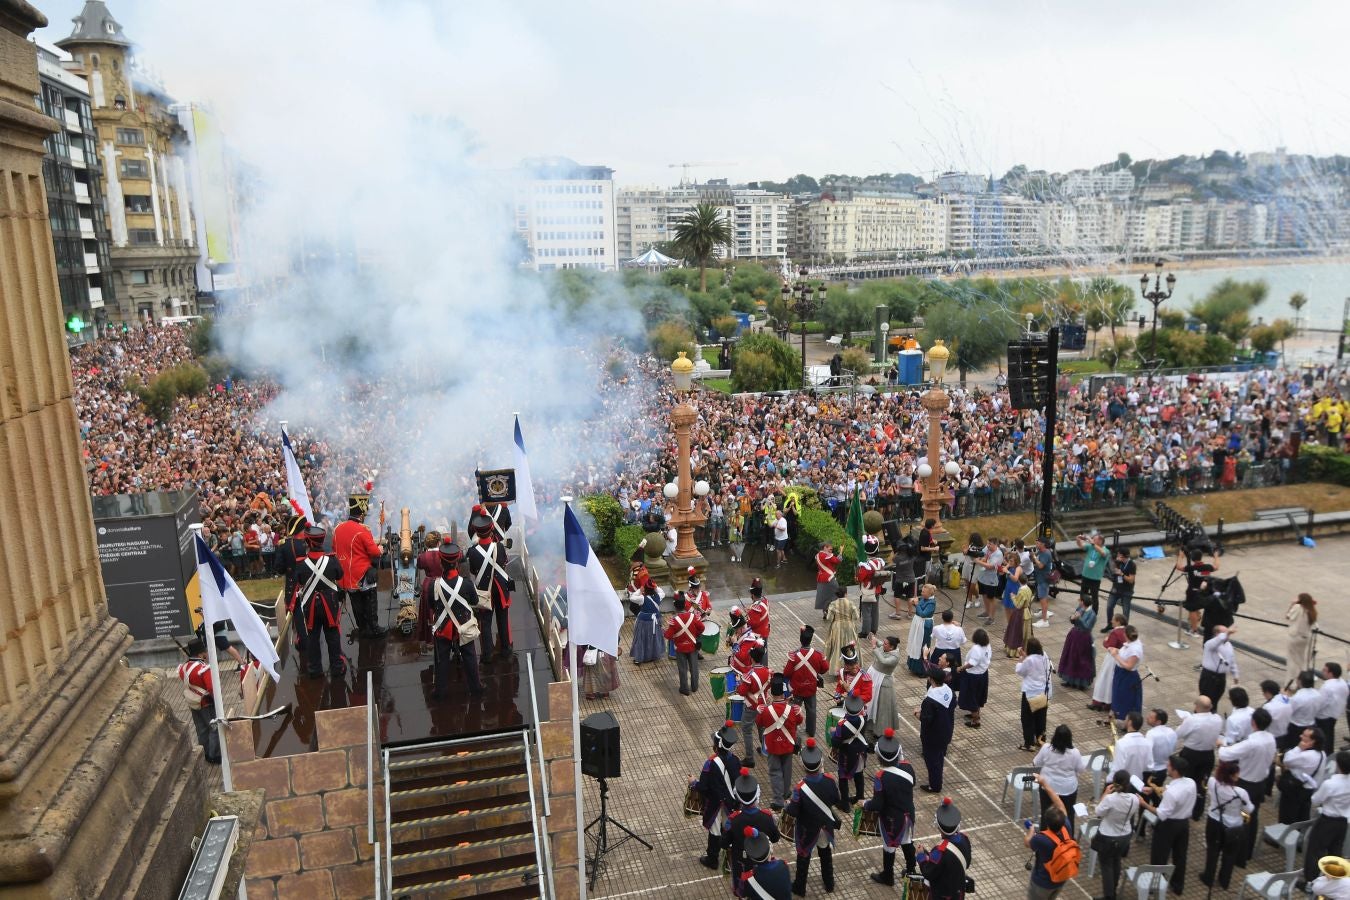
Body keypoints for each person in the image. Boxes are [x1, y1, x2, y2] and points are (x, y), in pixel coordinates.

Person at [1218, 706, 1276, 863]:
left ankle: (1237, 854)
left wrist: (1222, 743)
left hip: (1246, 783)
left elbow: (1225, 754)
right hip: (1260, 783)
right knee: (1253, 818)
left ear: (1253, 722)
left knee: (1238, 818)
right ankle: (1247, 851)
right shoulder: (1271, 738)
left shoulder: (1252, 743)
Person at [785, 737, 842, 895]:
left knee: (803, 857)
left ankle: (800, 887)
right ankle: (829, 883)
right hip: (825, 826)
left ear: (803, 765)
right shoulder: (830, 780)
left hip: (807, 829)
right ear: (820, 763)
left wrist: (787, 804)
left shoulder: (800, 788)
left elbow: (793, 812)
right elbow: (836, 800)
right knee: (825, 854)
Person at [426, 542, 483, 698]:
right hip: (463, 627)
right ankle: (476, 688)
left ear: (441, 562)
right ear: (457, 561)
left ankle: (440, 692)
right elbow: (474, 600)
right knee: (470, 657)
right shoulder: (467, 583)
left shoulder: (433, 586)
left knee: (442, 661)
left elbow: (431, 605)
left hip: (443, 629)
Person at [864, 726, 917, 885]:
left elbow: (878, 804)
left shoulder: (881, 777)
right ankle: (911, 870)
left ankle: (888, 876)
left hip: (892, 818)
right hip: (908, 813)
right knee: (907, 841)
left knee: (889, 846)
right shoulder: (908, 767)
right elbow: (911, 783)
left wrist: (866, 804)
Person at [1138, 755, 1196, 897]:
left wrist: (1144, 804)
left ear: (1175, 771)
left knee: (1159, 855)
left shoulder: (1172, 794)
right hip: (1183, 824)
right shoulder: (1190, 783)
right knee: (1180, 855)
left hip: (1168, 825)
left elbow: (1161, 813)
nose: (1167, 767)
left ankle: (1154, 885)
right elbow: (1170, 788)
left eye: (1169, 766)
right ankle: (1178, 886)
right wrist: (1154, 789)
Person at [333, 492, 387, 639]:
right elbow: (374, 552)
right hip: (362, 573)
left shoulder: (338, 528)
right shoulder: (363, 530)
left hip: (345, 575)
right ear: (362, 514)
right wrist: (380, 549)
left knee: (356, 603)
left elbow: (335, 549)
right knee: (370, 601)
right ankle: (374, 627)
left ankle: (362, 628)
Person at [724, 767, 781, 898]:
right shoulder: (766, 817)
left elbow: (724, 843)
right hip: (762, 865)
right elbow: (775, 838)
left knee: (742, 892)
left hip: (741, 864)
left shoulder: (733, 820)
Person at [298, 525, 346, 679]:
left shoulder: (300, 563)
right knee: (332, 635)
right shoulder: (331, 560)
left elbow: (299, 580)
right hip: (329, 603)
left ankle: (315, 669)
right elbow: (339, 575)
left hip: (310, 604)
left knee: (312, 637)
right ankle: (337, 667)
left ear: (308, 542)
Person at [1198, 759, 1253, 891]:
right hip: (1234, 826)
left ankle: (1208, 877)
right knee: (1229, 854)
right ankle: (1224, 881)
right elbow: (1249, 809)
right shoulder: (1241, 792)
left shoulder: (1212, 782)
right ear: (1232, 776)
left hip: (1214, 821)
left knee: (1212, 851)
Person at [467, 509, 513, 662]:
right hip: (500, 588)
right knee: (503, 620)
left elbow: (473, 571)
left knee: (485, 623)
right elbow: (504, 563)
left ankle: (487, 655)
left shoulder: (472, 552)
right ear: (491, 529)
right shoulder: (499, 547)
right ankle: (506, 650)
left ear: (477, 532)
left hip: (484, 590)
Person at [695, 721, 743, 869]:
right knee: (728, 827)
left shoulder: (710, 763)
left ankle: (712, 859)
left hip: (715, 803)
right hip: (731, 802)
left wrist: (693, 783)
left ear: (716, 746)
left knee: (715, 830)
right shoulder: (736, 761)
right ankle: (730, 858)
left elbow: (702, 787)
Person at [1303, 752, 1350, 891]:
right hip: (1342, 822)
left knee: (1315, 851)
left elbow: (1316, 800)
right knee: (1335, 852)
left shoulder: (1330, 784)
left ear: (1338, 766)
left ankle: (1310, 883)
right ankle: (1333, 882)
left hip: (1327, 821)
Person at [757, 675, 804, 812]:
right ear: (783, 693)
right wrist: (799, 712)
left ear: (771, 693)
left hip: (772, 745)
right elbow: (799, 721)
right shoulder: (792, 709)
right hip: (788, 743)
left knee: (775, 772)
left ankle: (778, 800)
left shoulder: (764, 710)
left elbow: (759, 723)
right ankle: (786, 792)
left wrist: (759, 711)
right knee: (787, 770)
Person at [1093, 770, 1141, 900]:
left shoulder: (1110, 799)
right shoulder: (1134, 799)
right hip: (1125, 835)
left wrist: (1105, 793)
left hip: (1108, 836)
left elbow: (1098, 812)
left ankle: (1109, 896)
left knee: (1106, 865)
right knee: (1117, 860)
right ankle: (1113, 890)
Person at [1023, 775, 1074, 900]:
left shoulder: (1042, 839)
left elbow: (1027, 842)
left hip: (1043, 883)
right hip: (1061, 879)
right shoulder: (1066, 826)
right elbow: (1060, 804)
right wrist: (1045, 784)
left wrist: (1030, 830)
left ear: (1047, 823)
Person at [1176, 695, 1223, 820]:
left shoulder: (1192, 720)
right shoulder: (1217, 719)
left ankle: (1184, 808)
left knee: (1186, 781)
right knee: (1202, 783)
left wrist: (1183, 723)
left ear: (1196, 707)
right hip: (1208, 755)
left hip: (1191, 754)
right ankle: (1197, 811)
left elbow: (1179, 734)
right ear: (1211, 707)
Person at [1034, 725, 1087, 834]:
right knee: (1068, 814)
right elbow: (1081, 769)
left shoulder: (1046, 748)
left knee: (1047, 813)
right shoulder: (1075, 753)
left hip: (1047, 787)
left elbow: (1036, 763)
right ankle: (1068, 838)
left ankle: (1045, 837)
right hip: (1068, 789)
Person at [916, 797, 973, 900]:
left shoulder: (940, 851)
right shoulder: (965, 839)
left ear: (939, 828)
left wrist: (921, 856)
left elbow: (928, 872)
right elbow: (966, 863)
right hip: (958, 891)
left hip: (943, 894)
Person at [176, 638, 221, 765]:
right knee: (214, 728)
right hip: (206, 703)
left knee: (201, 729)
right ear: (201, 653)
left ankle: (205, 753)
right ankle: (214, 755)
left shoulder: (184, 667)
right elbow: (211, 688)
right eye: (205, 651)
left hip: (193, 702)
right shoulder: (203, 668)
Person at [274, 514, 311, 650]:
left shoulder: (284, 545)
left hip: (293, 583)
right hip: (311, 582)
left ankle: (303, 641)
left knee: (298, 613)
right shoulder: (310, 541)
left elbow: (279, 568)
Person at [783, 626, 828, 738]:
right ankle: (811, 731)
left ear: (800, 639)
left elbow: (787, 673)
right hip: (811, 688)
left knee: (794, 711)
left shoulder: (794, 655)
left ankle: (792, 731)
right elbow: (825, 668)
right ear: (811, 639)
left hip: (797, 689)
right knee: (811, 710)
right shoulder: (818, 654)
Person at [918, 665, 955, 793]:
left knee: (932, 760)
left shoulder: (930, 700)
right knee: (939, 757)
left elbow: (927, 718)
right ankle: (936, 780)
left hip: (932, 735)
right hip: (946, 730)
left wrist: (918, 714)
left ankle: (935, 785)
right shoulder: (949, 691)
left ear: (931, 679)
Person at [1279, 726, 1327, 824]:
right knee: (1302, 815)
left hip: (1295, 790)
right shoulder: (1322, 754)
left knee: (1288, 816)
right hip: (1308, 790)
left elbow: (1287, 761)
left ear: (1313, 741)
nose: (1301, 737)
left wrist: (1299, 748)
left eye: (1305, 736)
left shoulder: (1306, 756)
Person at [833, 690, 869, 811]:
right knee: (859, 775)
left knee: (843, 777)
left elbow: (836, 742)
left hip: (847, 754)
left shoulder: (841, 724)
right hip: (861, 752)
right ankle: (860, 797)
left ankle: (844, 803)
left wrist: (833, 733)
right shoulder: (864, 718)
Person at [737, 645, 773, 760]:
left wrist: (739, 683)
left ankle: (749, 757)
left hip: (752, 706)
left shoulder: (749, 675)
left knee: (747, 730)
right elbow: (768, 687)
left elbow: (742, 692)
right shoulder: (768, 671)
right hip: (764, 704)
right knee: (762, 727)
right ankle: (764, 749)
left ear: (752, 659)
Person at [664, 594, 704, 695]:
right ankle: (694, 687)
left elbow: (668, 636)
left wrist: (664, 629)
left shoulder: (674, 621)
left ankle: (684, 689)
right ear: (684, 605)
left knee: (683, 669)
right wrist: (695, 635)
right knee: (694, 667)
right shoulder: (693, 617)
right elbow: (702, 628)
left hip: (680, 648)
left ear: (675, 606)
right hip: (692, 646)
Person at [1016, 637, 1051, 752]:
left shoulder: (1029, 660)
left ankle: (1029, 743)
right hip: (1042, 692)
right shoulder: (1044, 656)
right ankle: (1040, 739)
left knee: (1027, 718)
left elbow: (1020, 671)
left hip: (1030, 693)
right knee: (1041, 717)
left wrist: (1021, 659)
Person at [739, 827, 793, 900]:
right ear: (770, 851)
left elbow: (742, 894)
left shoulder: (748, 879)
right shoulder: (783, 865)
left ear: (752, 858)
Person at [1176, 547, 1218, 638]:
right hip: (1204, 593)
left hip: (1192, 592)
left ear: (1192, 558)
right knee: (1197, 608)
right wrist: (1216, 556)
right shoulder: (1207, 567)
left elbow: (1178, 567)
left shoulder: (1191, 568)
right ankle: (1197, 618)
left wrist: (1180, 556)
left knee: (1192, 610)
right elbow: (1216, 566)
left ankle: (1194, 630)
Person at [1089, 614, 1127, 713]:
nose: (1111, 621)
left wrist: (1105, 641)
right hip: (1121, 659)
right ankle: (1109, 703)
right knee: (1112, 681)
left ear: (1118, 621)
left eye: (1113, 620)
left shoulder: (1115, 632)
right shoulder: (1126, 631)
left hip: (1112, 659)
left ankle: (1098, 702)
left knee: (1104, 679)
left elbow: (1109, 646)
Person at [1057, 599, 1096, 689]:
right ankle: (1069, 680)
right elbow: (1073, 621)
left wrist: (1079, 618)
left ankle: (1081, 683)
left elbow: (1087, 627)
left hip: (1084, 638)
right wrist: (1072, 618)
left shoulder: (1092, 614)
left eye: (1080, 601)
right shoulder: (1080, 609)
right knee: (1071, 658)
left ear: (1083, 602)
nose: (1079, 602)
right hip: (1074, 636)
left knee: (1082, 660)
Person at [1109, 625, 1144, 723]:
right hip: (1120, 674)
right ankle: (1117, 717)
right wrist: (1117, 651)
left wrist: (1116, 656)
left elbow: (1129, 666)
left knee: (1125, 698)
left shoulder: (1135, 649)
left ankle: (1125, 721)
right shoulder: (1130, 644)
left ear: (1125, 635)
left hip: (1127, 677)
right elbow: (1125, 654)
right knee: (1117, 695)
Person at [957, 628, 991, 728]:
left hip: (973, 676)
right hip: (983, 673)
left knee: (970, 697)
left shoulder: (977, 649)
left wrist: (961, 668)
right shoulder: (987, 645)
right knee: (978, 695)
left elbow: (972, 663)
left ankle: (975, 720)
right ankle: (976, 712)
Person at [856, 535, 888, 639]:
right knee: (875, 610)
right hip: (877, 589)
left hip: (868, 590)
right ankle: (874, 629)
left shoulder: (865, 565)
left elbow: (860, 578)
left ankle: (865, 631)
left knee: (866, 612)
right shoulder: (880, 562)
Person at [1198, 626, 1239, 706]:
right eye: (1225, 633)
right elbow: (1217, 641)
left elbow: (1232, 661)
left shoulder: (1229, 645)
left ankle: (1213, 714)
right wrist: (1227, 633)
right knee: (1205, 701)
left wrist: (1236, 676)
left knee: (1216, 700)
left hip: (1221, 677)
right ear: (1217, 634)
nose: (1228, 635)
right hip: (1209, 677)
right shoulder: (1210, 643)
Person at [1109, 711, 1151, 783]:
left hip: (1124, 783)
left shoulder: (1122, 743)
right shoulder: (1147, 743)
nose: (1124, 721)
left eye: (1126, 719)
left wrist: (1108, 780)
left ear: (1130, 722)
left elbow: (1117, 768)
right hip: (1138, 783)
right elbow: (1149, 766)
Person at [824, 586, 858, 671]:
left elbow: (829, 618)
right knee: (850, 646)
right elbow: (856, 617)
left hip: (837, 627)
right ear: (846, 593)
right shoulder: (851, 603)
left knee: (837, 646)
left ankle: (837, 668)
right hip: (849, 626)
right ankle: (852, 666)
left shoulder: (833, 604)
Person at [630, 580, 664, 665]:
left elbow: (632, 597)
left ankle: (639, 658)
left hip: (643, 621)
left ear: (645, 588)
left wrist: (639, 590)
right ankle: (653, 655)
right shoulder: (659, 596)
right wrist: (656, 587)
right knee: (654, 638)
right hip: (655, 621)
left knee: (641, 638)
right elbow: (662, 591)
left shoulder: (642, 598)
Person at [1286, 593, 1318, 683]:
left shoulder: (1298, 607)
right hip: (1305, 638)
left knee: (1292, 661)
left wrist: (1292, 604)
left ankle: (1291, 682)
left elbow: (1288, 616)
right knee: (1300, 660)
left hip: (1294, 637)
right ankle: (1301, 680)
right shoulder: (1312, 611)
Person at [972, 535, 1003, 627]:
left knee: (991, 598)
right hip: (982, 577)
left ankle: (992, 618)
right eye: (987, 543)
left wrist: (978, 561)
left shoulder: (998, 554)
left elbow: (991, 566)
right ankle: (987, 611)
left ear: (995, 544)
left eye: (990, 544)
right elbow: (982, 554)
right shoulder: (987, 548)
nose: (988, 546)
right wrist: (981, 558)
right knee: (984, 595)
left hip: (991, 579)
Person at [1144, 708, 1178, 792]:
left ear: (1158, 722)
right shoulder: (1172, 732)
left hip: (1152, 770)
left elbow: (1146, 752)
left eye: (1151, 717)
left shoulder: (1151, 734)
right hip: (1164, 769)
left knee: (1146, 792)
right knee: (1157, 792)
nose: (1147, 718)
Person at [1075, 531, 1109, 613]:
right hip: (1085, 575)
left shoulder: (1105, 550)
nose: (1093, 540)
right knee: (1083, 595)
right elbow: (1080, 545)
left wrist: (1092, 543)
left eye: (1095, 539)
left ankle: (1094, 613)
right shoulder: (1090, 547)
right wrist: (1078, 539)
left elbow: (1103, 553)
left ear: (1100, 541)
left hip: (1095, 578)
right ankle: (1081, 610)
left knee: (1094, 596)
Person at [906, 584, 936, 675]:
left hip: (925, 625)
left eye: (923, 592)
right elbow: (919, 609)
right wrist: (914, 604)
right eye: (922, 591)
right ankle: (913, 665)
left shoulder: (931, 603)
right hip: (918, 623)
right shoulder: (924, 598)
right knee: (915, 642)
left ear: (929, 593)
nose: (921, 593)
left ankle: (923, 669)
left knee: (923, 645)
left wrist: (917, 604)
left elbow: (923, 614)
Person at [1290, 669, 1324, 749]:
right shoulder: (1318, 694)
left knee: (1294, 747)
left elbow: (1290, 711)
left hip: (1296, 727)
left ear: (1299, 681)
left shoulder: (1297, 697)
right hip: (1311, 724)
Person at [1318, 662, 1349, 749]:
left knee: (1323, 737)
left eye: (1324, 670)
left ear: (1330, 673)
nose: (1322, 671)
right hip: (1334, 714)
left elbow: (1321, 703)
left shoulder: (1327, 687)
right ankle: (1329, 752)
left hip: (1324, 716)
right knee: (1329, 735)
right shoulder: (1343, 682)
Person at [1103, 546, 1136, 627]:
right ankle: (1110, 625)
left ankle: (1124, 628)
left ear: (1123, 556)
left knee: (1125, 611)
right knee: (1109, 606)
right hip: (1116, 588)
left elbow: (1131, 580)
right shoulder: (1118, 562)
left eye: (1119, 555)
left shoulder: (1132, 565)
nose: (1117, 556)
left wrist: (1122, 574)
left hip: (1127, 590)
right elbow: (1113, 570)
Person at [1004, 572, 1034, 655]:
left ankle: (1016, 651)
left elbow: (1018, 605)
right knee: (1026, 633)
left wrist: (1013, 596)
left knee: (1017, 632)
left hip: (1020, 614)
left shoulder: (1022, 591)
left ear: (1019, 581)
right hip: (1027, 611)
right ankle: (1025, 649)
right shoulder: (1028, 589)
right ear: (1026, 580)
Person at [1031, 536, 1054, 628]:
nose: (1036, 544)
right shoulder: (1040, 551)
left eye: (1037, 543)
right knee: (1042, 598)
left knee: (1043, 599)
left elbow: (1040, 565)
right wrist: (1033, 557)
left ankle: (1044, 621)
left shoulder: (1046, 553)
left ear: (1043, 544)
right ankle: (1044, 613)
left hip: (1043, 580)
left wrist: (1034, 557)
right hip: (1040, 578)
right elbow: (1037, 561)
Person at [813, 541, 841, 617]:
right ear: (824, 547)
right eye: (829, 549)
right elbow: (837, 561)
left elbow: (828, 563)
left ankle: (825, 612)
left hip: (820, 578)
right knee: (836, 594)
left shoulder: (817, 555)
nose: (831, 551)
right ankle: (834, 611)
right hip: (830, 578)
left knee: (824, 596)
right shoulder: (827, 555)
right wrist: (841, 552)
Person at [748, 579, 771, 650]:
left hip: (757, 636)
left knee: (757, 656)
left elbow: (752, 624)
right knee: (763, 652)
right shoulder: (765, 600)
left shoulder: (755, 609)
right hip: (765, 632)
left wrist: (747, 618)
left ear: (752, 595)